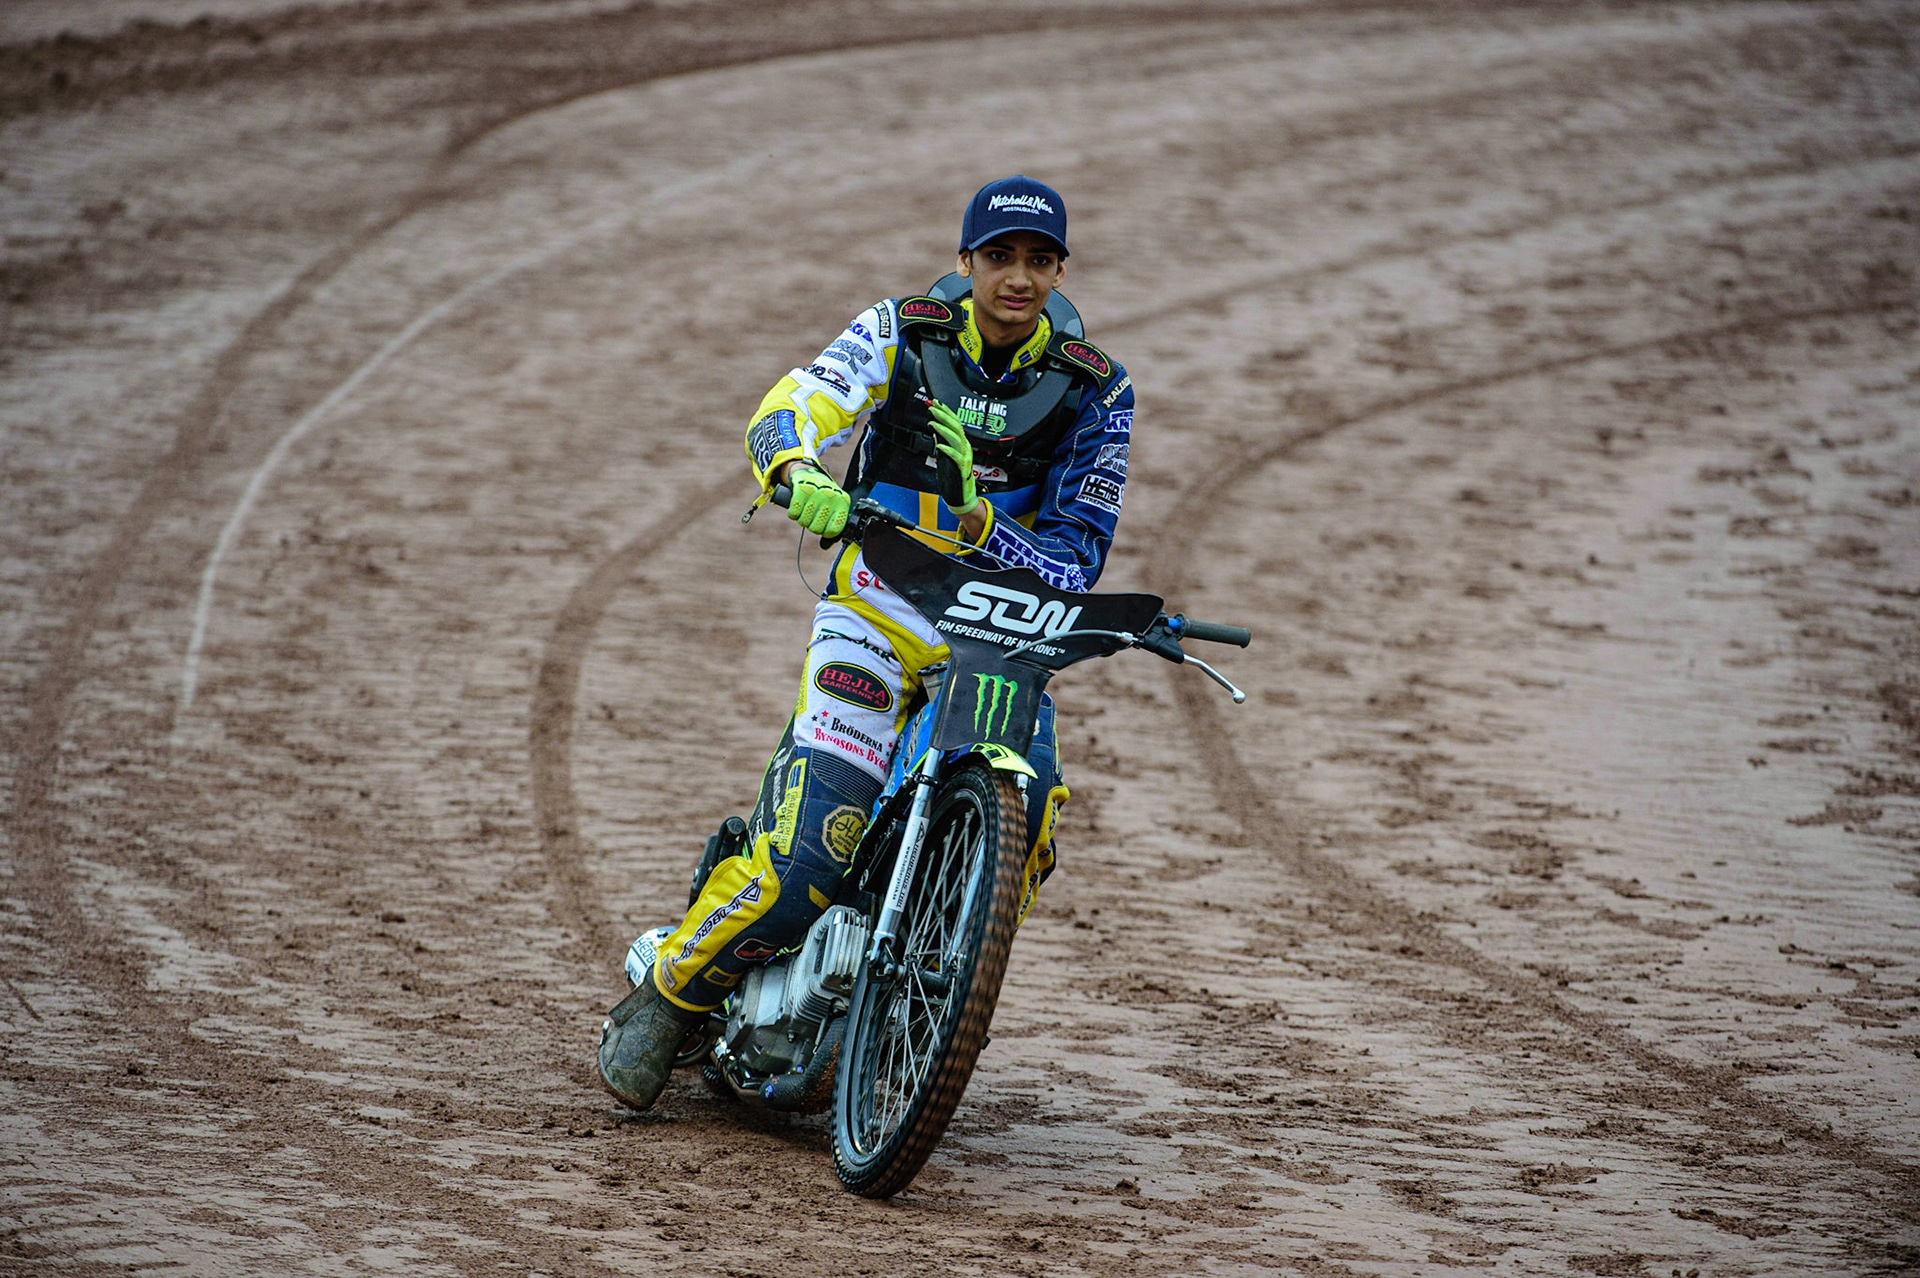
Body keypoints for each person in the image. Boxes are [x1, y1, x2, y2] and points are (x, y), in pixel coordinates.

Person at [596, 175, 1134, 1110]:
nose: (1018, 277)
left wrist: (978, 529)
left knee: (1033, 813)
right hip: (877, 611)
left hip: (1002, 639)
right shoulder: (902, 329)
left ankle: (930, 984)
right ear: (967, 262)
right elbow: (790, 405)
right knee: (811, 853)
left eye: (1038, 260)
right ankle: (668, 998)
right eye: (999, 257)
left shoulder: (1099, 390)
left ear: (1058, 271)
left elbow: (1076, 559)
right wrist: (794, 469)